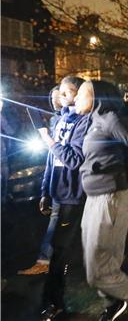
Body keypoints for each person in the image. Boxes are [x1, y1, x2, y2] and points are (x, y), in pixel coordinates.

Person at [75, 80, 128, 321]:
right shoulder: (91, 121)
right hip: (93, 199)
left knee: (97, 270)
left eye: (81, 94)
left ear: (96, 97)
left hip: (111, 198)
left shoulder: (111, 120)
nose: (75, 98)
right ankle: (114, 302)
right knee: (96, 264)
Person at [36, 75, 89, 321]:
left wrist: (49, 140)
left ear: (78, 94)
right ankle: (54, 301)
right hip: (57, 193)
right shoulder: (61, 120)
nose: (60, 96)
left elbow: (73, 159)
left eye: (66, 93)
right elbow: (52, 159)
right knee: (60, 250)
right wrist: (45, 190)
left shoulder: (83, 122)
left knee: (59, 252)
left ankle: (54, 304)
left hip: (72, 196)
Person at [18, 86, 63, 276]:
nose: (54, 101)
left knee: (60, 221)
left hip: (73, 181)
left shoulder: (77, 120)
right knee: (57, 220)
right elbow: (52, 155)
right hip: (58, 178)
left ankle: (46, 260)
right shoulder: (54, 120)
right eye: (51, 98)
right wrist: (46, 189)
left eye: (58, 97)